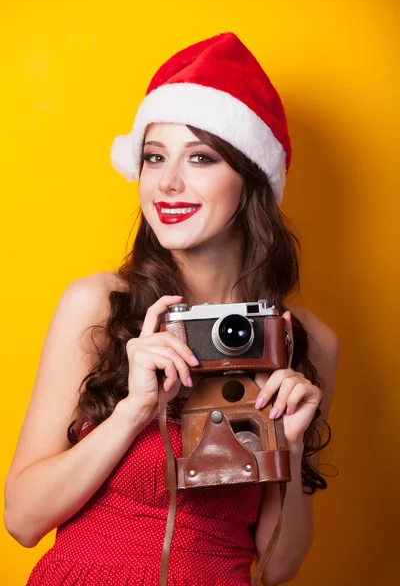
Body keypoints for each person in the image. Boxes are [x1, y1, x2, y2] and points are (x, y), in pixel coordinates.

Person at [4, 32, 340, 586]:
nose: (168, 182)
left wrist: (291, 446)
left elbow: (278, 568)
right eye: (154, 157)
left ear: (250, 177)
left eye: (201, 157)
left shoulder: (305, 341)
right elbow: (22, 520)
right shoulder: (99, 305)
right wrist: (133, 412)